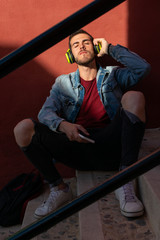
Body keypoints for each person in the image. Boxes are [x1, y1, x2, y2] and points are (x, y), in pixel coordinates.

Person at [14, 29, 150, 219]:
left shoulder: (113, 74)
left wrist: (110, 49)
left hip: (111, 144)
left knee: (134, 97)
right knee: (23, 129)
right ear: (71, 55)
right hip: (77, 146)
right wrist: (64, 126)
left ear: (95, 48)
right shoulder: (63, 83)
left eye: (86, 42)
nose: (82, 47)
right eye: (76, 45)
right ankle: (59, 188)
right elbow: (45, 113)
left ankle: (125, 180)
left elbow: (142, 68)